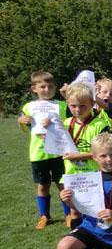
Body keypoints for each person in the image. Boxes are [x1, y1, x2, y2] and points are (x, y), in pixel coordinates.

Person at [18, 71, 69, 229]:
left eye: (50, 86)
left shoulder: (62, 105)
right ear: (34, 88)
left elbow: (69, 123)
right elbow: (23, 122)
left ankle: (68, 214)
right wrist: (21, 119)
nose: (47, 89)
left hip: (59, 152)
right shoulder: (28, 107)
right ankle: (44, 216)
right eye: (42, 86)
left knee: (63, 185)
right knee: (43, 185)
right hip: (38, 154)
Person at [62, 82, 112, 228]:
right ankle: (79, 239)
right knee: (75, 211)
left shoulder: (99, 124)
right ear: (68, 104)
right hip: (73, 174)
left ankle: (100, 238)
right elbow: (57, 147)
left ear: (91, 103)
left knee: (97, 208)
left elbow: (103, 152)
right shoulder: (65, 123)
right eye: (73, 106)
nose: (77, 109)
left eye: (82, 105)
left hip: (95, 174)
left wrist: (77, 156)